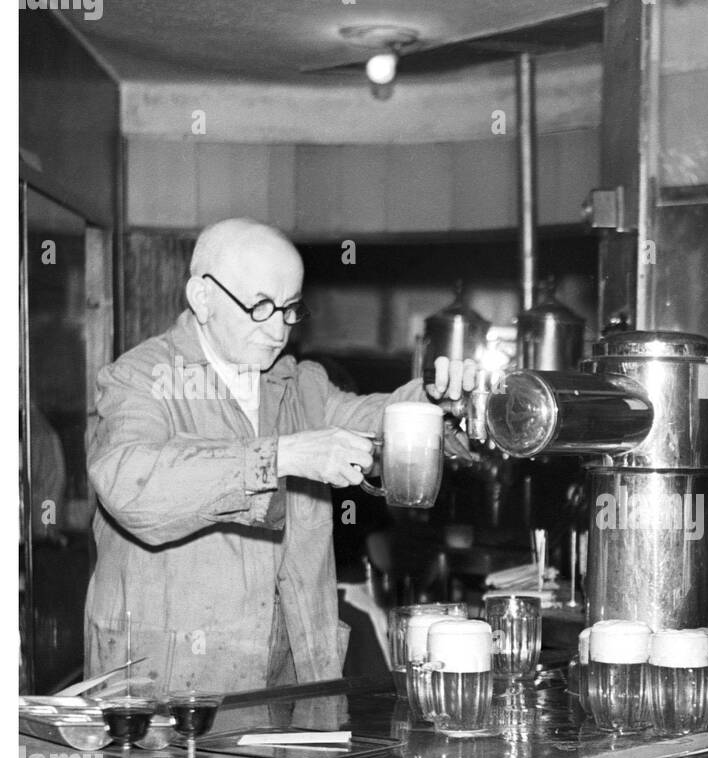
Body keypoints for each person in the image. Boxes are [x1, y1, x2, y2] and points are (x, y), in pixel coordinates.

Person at [85, 217, 476, 694]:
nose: (278, 330)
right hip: (163, 691)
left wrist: (435, 405)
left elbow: (376, 420)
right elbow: (130, 485)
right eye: (260, 307)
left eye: (290, 309)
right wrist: (279, 456)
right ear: (202, 297)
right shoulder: (141, 379)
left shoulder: (298, 384)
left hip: (286, 688)